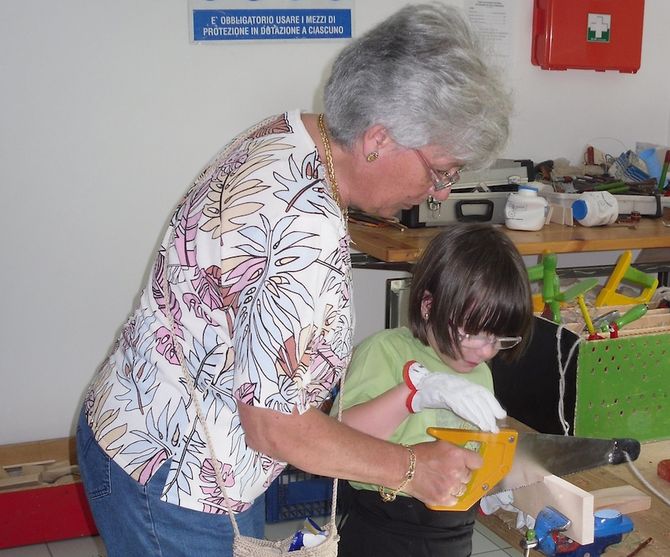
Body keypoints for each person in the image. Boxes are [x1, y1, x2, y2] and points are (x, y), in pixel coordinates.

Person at [75, 4, 513, 556]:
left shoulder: (290, 135)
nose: (441, 193)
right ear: (378, 138)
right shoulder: (305, 227)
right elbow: (276, 427)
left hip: (171, 436)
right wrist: (411, 468)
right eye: (441, 171)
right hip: (172, 473)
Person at [335, 223, 533, 557]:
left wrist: (498, 486)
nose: (486, 351)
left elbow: (471, 456)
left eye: (499, 339)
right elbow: (340, 440)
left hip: (451, 537)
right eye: (473, 332)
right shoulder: (384, 352)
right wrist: (413, 394)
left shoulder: (480, 373)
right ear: (429, 306)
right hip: (381, 532)